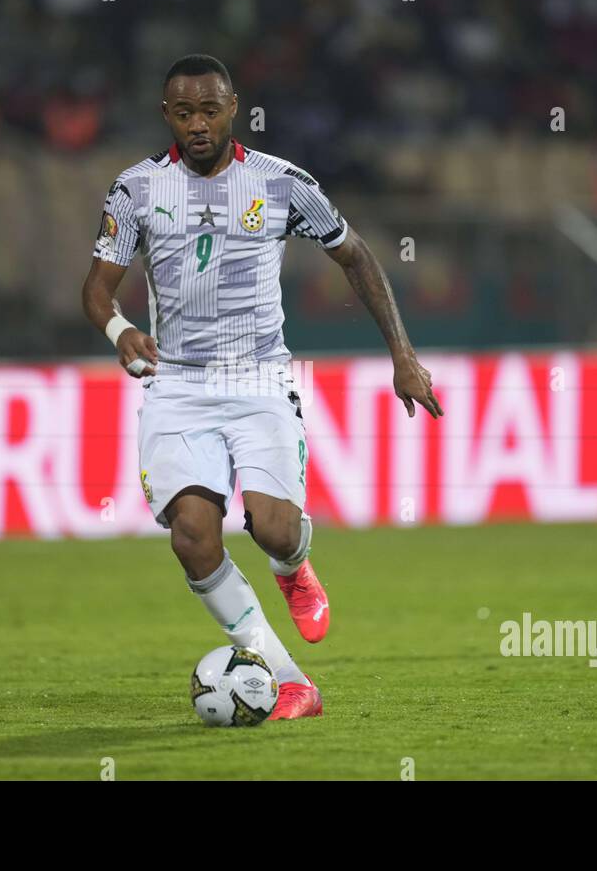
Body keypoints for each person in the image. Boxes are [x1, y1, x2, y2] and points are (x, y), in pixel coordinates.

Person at [81, 54, 442, 720]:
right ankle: (289, 679)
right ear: (167, 115)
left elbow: (354, 254)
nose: (196, 124)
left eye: (209, 110)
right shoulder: (134, 189)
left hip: (259, 381)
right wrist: (119, 331)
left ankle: (293, 567)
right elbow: (97, 288)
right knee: (193, 534)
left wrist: (404, 355)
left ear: (233, 108)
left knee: (274, 530)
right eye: (183, 112)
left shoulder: (281, 184)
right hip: (177, 385)